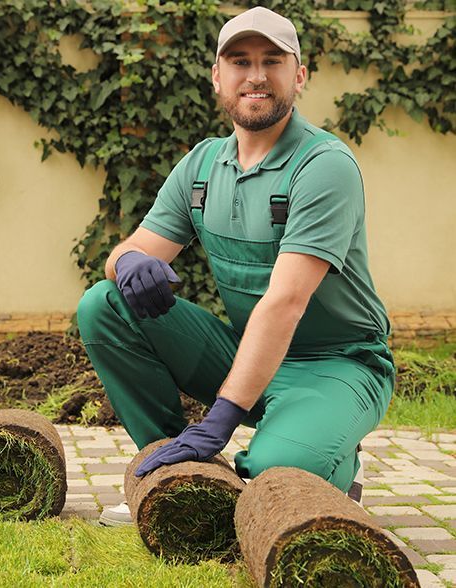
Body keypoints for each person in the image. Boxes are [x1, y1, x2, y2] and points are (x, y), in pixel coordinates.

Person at [77, 6, 394, 526]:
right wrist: (129, 261)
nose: (256, 75)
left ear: (299, 75)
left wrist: (220, 419)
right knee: (103, 304)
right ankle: (168, 471)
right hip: (246, 351)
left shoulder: (324, 166)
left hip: (334, 364)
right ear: (217, 77)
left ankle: (337, 462)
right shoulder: (202, 165)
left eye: (273, 60)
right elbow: (125, 252)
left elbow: (286, 301)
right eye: (240, 61)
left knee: (275, 471)